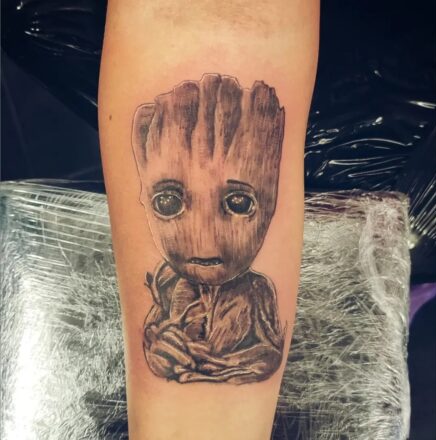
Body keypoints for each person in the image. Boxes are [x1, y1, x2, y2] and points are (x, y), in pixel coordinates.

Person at [98, 1, 319, 438]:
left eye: (238, 203)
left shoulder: (257, 295)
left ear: (272, 197)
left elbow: (223, 20)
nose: (203, 239)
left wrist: (214, 369)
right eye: (168, 202)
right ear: (144, 195)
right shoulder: (167, 283)